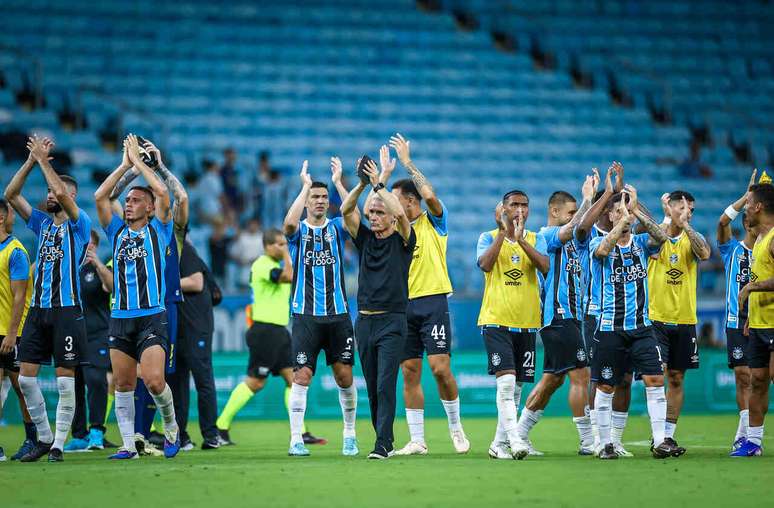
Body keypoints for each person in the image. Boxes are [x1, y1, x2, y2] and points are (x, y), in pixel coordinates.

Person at [362, 135, 468, 456]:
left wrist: (407, 163)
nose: (389, 207)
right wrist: (378, 178)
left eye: (395, 200)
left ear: (410, 201)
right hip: (401, 306)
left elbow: (430, 195)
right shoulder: (393, 230)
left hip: (433, 301)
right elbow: (367, 213)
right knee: (409, 371)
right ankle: (417, 439)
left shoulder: (435, 221)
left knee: (440, 368)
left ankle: (455, 426)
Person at [4, 135, 91, 463]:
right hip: (38, 311)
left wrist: (43, 161)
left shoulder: (79, 224)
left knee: (65, 382)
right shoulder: (41, 223)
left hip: (67, 310)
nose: (49, 195)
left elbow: (63, 197)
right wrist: (31, 161)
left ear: (70, 196)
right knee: (26, 379)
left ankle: (58, 444)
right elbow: (11, 195)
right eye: (49, 192)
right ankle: (43, 436)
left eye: (55, 192)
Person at [94, 133, 180, 460]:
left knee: (155, 381)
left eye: (135, 200)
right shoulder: (116, 231)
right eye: (127, 200)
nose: (128, 203)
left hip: (152, 315)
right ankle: (128, 444)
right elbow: (101, 196)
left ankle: (170, 426)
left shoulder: (160, 229)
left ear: (150, 207)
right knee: (123, 384)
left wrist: (144, 166)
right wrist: (125, 165)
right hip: (120, 317)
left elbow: (163, 191)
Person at [515, 172, 600, 456]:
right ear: (554, 211)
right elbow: (571, 229)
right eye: (571, 212)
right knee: (581, 374)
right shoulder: (546, 235)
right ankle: (588, 441)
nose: (575, 217)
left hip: (571, 317)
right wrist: (587, 199)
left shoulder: (575, 243)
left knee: (553, 379)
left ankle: (518, 434)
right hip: (558, 316)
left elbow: (582, 226)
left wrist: (600, 198)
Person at [590, 187, 677, 459]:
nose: (624, 215)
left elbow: (662, 237)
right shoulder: (596, 241)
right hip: (610, 328)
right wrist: (622, 223)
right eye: (618, 211)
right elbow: (603, 251)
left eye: (626, 210)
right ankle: (605, 444)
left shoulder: (640, 243)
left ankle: (661, 441)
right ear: (610, 215)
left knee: (655, 379)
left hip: (642, 328)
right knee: (606, 386)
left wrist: (637, 211)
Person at [341, 158, 416, 459]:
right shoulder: (365, 239)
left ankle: (382, 443)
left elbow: (400, 211)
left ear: (391, 218)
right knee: (373, 387)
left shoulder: (404, 240)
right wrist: (362, 184)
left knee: (385, 384)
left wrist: (380, 183)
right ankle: (385, 439)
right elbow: (346, 210)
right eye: (371, 212)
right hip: (364, 322)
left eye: (378, 212)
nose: (372, 216)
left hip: (392, 322)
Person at [283, 159, 358, 457]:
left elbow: (354, 218)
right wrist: (304, 187)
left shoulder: (337, 227)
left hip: (338, 315)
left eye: (324, 197)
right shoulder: (299, 232)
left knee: (344, 377)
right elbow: (288, 224)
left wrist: (339, 183)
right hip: (306, 316)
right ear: (306, 201)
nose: (320, 201)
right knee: (301, 376)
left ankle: (349, 435)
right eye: (315, 197)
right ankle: (295, 439)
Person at [477, 191, 549, 460]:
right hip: (496, 320)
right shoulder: (487, 237)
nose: (520, 209)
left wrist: (521, 241)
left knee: (516, 388)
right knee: (506, 384)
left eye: (524, 205)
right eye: (514, 205)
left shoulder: (536, 238)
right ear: (503, 209)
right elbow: (485, 265)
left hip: (527, 323)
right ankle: (516, 440)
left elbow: (545, 266)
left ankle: (498, 444)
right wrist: (502, 232)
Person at [215, 229, 294, 444]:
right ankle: (220, 426)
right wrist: (288, 254)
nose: (283, 247)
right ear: (267, 246)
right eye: (279, 244)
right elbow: (288, 276)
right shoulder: (262, 264)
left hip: (279, 330)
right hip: (265, 330)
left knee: (294, 380)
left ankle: (300, 432)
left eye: (284, 244)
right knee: (256, 382)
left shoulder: (275, 264)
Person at [648, 190, 711, 455]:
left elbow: (704, 253)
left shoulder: (692, 237)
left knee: (676, 377)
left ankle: (668, 436)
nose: (688, 213)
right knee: (657, 376)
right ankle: (657, 436)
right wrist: (667, 220)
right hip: (656, 318)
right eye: (683, 208)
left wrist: (685, 225)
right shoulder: (655, 235)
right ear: (670, 208)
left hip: (685, 318)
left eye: (692, 210)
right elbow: (651, 241)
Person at [581, 163, 636, 456]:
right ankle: (595, 437)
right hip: (597, 314)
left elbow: (652, 229)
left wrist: (624, 193)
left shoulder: (630, 234)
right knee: (599, 377)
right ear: (607, 211)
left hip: (628, 316)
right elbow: (580, 227)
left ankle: (616, 438)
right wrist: (605, 193)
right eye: (617, 207)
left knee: (625, 378)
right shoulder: (590, 233)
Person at [733, 182, 774, 457]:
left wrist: (751, 288)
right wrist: (751, 316)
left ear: (758, 207)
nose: (745, 208)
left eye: (748, 203)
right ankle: (754, 442)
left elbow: (760, 282)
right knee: (757, 380)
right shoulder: (759, 238)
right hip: (759, 323)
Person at [63, 230, 114, 452]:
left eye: (91, 244)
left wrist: (98, 263)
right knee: (73, 385)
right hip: (71, 336)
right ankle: (79, 434)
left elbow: (111, 287)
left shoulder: (100, 270)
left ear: (95, 246)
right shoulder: (68, 270)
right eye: (83, 244)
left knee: (96, 381)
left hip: (96, 335)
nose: (87, 248)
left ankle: (96, 431)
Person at [717, 170, 757, 451]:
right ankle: (744, 434)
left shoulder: (769, 251)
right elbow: (722, 221)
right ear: (745, 222)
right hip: (735, 321)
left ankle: (749, 434)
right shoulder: (731, 249)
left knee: (759, 379)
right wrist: (746, 197)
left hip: (763, 320)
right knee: (743, 376)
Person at [171, 240, 220, 450]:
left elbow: (196, 282)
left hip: (196, 327)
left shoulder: (185, 250)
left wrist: (165, 282)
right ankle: (181, 436)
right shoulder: (169, 251)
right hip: (177, 329)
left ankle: (211, 435)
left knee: (203, 380)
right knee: (176, 385)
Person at [0, 198, 34, 461]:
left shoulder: (16, 251)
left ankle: (32, 439)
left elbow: (20, 296)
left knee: (22, 387)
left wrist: (12, 333)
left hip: (13, 332)